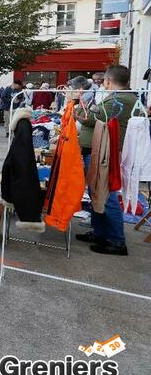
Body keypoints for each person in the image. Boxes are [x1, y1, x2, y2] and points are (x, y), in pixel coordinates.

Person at [74, 65, 136, 256]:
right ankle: (100, 232)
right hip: (98, 151)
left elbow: (92, 117)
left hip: (104, 153)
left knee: (107, 196)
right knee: (96, 194)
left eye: (104, 82)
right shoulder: (119, 97)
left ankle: (117, 241)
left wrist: (78, 109)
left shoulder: (121, 98)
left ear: (108, 81)